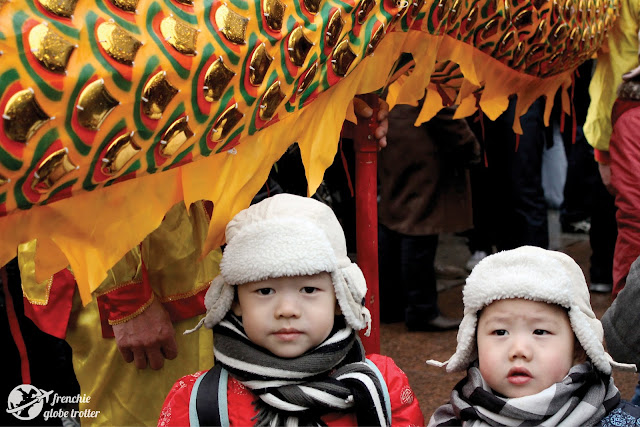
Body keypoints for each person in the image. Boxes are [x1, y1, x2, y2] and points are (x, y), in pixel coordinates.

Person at [14, 96, 390, 426]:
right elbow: (83, 140)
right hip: (133, 269)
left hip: (200, 251)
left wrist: (330, 114)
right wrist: (125, 295)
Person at [158, 194, 425, 426]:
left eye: (309, 290)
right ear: (235, 301)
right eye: (265, 291)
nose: (286, 310)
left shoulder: (384, 386)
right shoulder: (197, 400)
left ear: (339, 300)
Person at [426, 246, 638, 426]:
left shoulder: (621, 421)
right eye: (500, 332)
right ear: (473, 344)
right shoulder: (451, 420)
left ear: (579, 348)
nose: (519, 350)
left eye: (540, 332)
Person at [378, 101, 480, 331]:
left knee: (393, 218)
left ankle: (390, 305)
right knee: (418, 223)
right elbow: (439, 100)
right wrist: (468, 144)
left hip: (395, 128)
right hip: (422, 136)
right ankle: (421, 309)